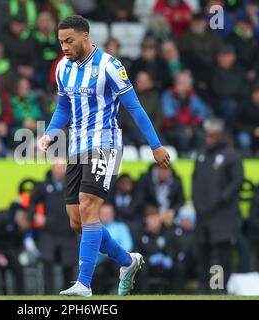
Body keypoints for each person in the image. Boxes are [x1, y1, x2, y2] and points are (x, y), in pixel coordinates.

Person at [38, 15, 170, 297]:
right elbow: (63, 108)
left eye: (69, 40)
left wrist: (155, 145)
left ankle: (84, 284)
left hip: (105, 144)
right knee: (76, 221)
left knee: (88, 208)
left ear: (85, 36)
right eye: (61, 41)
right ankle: (127, 261)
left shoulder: (109, 65)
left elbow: (134, 108)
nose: (64, 47)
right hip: (76, 148)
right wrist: (50, 133)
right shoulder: (63, 67)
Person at [192, 119, 244, 293]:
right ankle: (203, 287)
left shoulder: (231, 155)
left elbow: (237, 182)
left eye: (213, 136)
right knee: (203, 252)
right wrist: (197, 202)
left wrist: (221, 198)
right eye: (207, 135)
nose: (209, 139)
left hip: (222, 214)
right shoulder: (201, 154)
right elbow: (195, 179)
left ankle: (220, 288)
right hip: (202, 213)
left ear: (221, 136)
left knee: (221, 255)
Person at [31, 159, 78, 294]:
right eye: (56, 166)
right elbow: (31, 205)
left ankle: (68, 294)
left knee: (68, 267)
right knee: (47, 264)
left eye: (62, 166)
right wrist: (35, 216)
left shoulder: (73, 185)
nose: (59, 169)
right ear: (51, 168)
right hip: (49, 232)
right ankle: (48, 295)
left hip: (67, 231)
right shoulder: (43, 186)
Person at [0, 203, 32, 295]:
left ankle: (21, 294)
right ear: (22, 218)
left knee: (18, 267)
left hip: (9, 252)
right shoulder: (2, 217)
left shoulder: (21, 229)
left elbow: (19, 245)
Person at [92, 203, 133, 294]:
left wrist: (111, 252)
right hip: (100, 262)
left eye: (108, 213)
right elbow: (92, 247)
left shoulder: (121, 227)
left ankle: (117, 292)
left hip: (117, 261)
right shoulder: (94, 228)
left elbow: (128, 246)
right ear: (99, 214)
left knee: (120, 268)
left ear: (113, 214)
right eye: (104, 213)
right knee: (98, 272)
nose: (106, 216)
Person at [135, 206, 175, 294]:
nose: (154, 222)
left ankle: (173, 294)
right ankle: (143, 296)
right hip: (147, 264)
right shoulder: (140, 234)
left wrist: (169, 258)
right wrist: (149, 259)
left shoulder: (166, 233)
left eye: (156, 219)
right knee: (141, 269)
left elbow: (171, 249)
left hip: (162, 265)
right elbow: (137, 253)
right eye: (151, 219)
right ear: (146, 220)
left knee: (178, 268)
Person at [138, 163, 185, 228]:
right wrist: (149, 210)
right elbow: (139, 200)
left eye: (166, 170)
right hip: (151, 215)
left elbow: (181, 201)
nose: (163, 173)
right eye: (160, 169)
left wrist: (173, 211)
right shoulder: (145, 179)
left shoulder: (177, 181)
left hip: (169, 215)